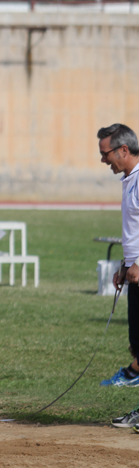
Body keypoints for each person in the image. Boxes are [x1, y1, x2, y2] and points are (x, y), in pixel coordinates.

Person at [100, 125, 139, 405]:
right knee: (136, 341)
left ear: (123, 150)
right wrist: (125, 266)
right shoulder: (129, 180)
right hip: (134, 273)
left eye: (106, 154)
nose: (103, 160)